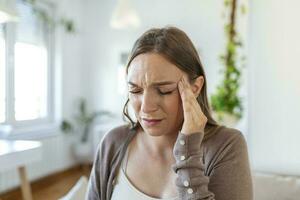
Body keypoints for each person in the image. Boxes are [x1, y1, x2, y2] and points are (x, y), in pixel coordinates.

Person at [86, 26, 253, 200]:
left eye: (164, 90)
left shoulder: (226, 146)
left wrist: (188, 153)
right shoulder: (113, 143)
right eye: (135, 91)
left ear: (195, 87)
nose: (146, 107)